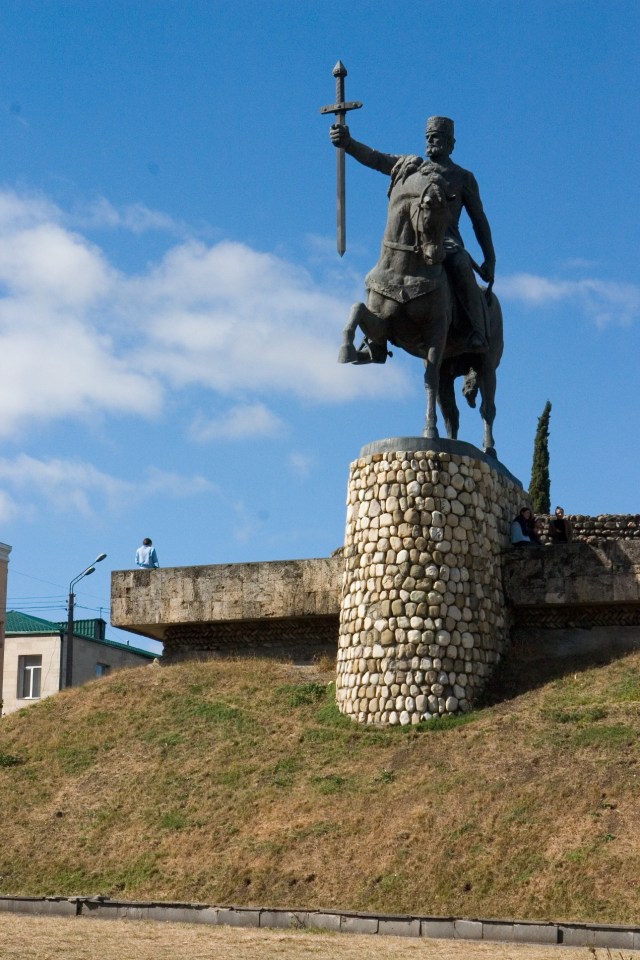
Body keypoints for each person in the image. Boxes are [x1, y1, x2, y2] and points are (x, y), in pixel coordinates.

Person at [330, 115, 496, 350]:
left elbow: (479, 220)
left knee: (459, 264)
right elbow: (376, 159)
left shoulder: (463, 177)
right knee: (383, 268)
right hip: (408, 239)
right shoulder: (410, 167)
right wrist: (348, 143)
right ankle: (374, 338)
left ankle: (475, 329)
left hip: (444, 240)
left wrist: (490, 257)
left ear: (450, 144)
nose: (431, 141)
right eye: (428, 137)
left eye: (437, 137)